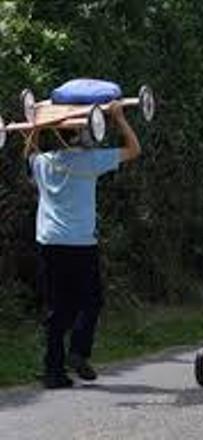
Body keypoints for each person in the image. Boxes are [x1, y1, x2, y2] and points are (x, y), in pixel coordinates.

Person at [30, 103, 141, 389]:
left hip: (49, 242)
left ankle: (53, 370)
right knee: (91, 301)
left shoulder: (42, 162)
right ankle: (78, 352)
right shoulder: (90, 161)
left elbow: (28, 150)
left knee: (57, 308)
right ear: (79, 135)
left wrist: (37, 123)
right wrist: (118, 118)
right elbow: (134, 149)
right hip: (80, 244)